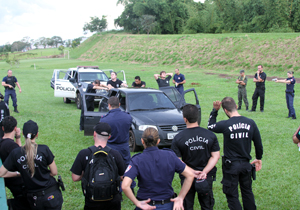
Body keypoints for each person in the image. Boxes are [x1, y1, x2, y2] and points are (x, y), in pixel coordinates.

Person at [207, 97, 263, 210]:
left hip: (231, 165)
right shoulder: (250, 122)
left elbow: (210, 126)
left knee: (232, 194)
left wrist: (214, 111)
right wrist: (258, 157)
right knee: (247, 192)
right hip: (246, 164)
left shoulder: (226, 124)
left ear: (225, 111)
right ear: (236, 106)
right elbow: (258, 143)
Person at [122, 127, 194, 210]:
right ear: (158, 141)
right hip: (167, 205)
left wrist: (137, 203)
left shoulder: (137, 160)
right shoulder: (170, 156)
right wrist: (181, 197)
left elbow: (125, 186)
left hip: (146, 205)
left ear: (142, 141)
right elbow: (190, 175)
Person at [0, 120, 63, 210]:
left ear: (23, 133)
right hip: (51, 195)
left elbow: (1, 173)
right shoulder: (44, 149)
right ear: (37, 134)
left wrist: (20, 173)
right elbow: (54, 172)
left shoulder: (16, 153)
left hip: (34, 199)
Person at [171, 104, 220, 210]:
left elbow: (178, 161)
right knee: (207, 205)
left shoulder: (178, 138)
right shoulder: (210, 135)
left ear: (185, 119)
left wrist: (191, 172)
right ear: (197, 117)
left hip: (187, 176)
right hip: (205, 177)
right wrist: (204, 172)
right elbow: (215, 156)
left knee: (187, 205)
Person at [71, 122, 126, 210]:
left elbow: (75, 177)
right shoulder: (115, 154)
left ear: (94, 134)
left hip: (92, 201)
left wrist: (86, 174)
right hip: (113, 202)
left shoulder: (84, 153)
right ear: (109, 137)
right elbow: (123, 177)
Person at [99, 96, 135, 190]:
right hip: (124, 146)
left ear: (109, 105)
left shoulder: (104, 119)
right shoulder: (127, 116)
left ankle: (115, 187)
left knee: (111, 167)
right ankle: (130, 186)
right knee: (127, 167)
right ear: (119, 104)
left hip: (111, 146)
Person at [0, 116, 30, 209]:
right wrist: (18, 174)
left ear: (3, 128)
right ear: (15, 128)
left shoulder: (4, 143)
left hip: (10, 182)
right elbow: (21, 157)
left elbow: (18, 152)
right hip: (18, 183)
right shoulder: (10, 146)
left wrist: (17, 137)